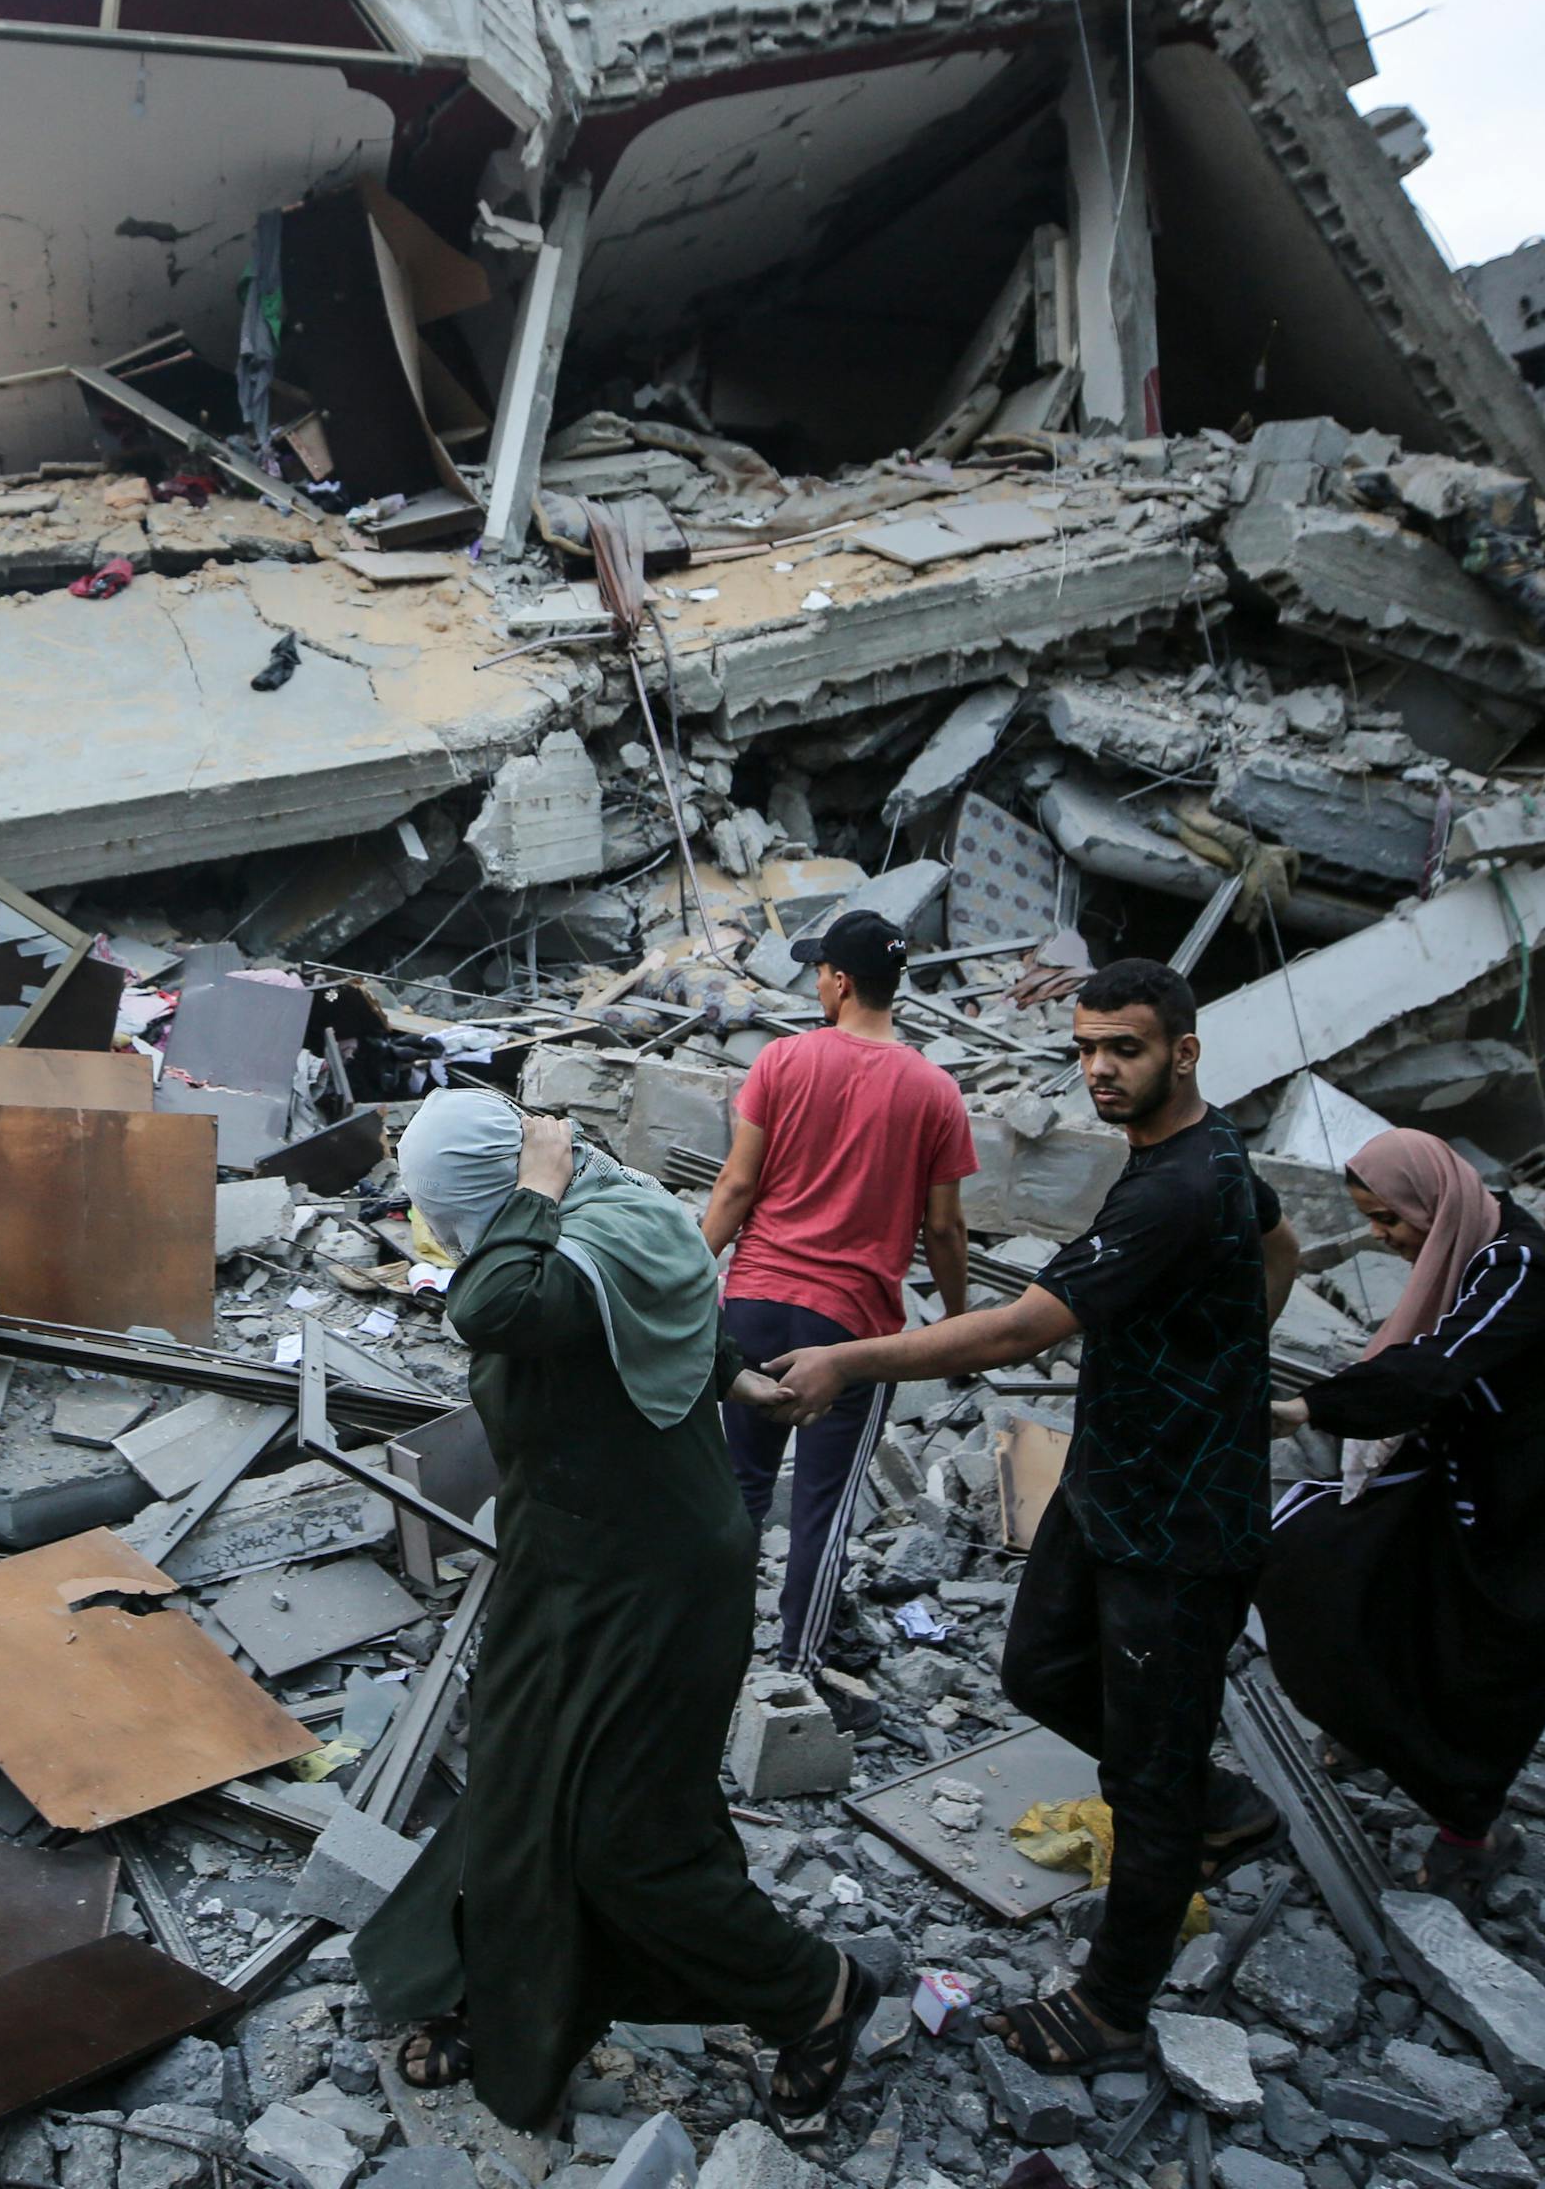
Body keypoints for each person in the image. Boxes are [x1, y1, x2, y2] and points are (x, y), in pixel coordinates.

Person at [758, 958, 1295, 2073]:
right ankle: (1211, 1796)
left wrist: (850, 1359)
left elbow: (1016, 1332)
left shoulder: (1181, 1187)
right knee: (1038, 1671)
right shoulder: (1200, 1158)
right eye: (1087, 1048)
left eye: (1126, 1050)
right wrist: (1217, 1355)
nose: (1098, 1069)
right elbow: (1280, 1250)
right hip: (1112, 1483)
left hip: (1179, 1524)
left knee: (1144, 1780)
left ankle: (1111, 2005)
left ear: (1183, 1053)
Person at [358, 1090, 884, 2138]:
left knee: (625, 1836)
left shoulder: (574, 1240)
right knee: (512, 1785)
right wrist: (735, 1375)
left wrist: (533, 1195)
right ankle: (496, 1988)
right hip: (563, 1562)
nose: (433, 1236)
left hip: (655, 1584)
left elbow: (493, 1306)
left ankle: (816, 1994)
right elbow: (662, 1325)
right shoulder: (587, 1236)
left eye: (441, 1212)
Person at [1261, 1129, 1545, 1904]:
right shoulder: (1470, 1254)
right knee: (1330, 1566)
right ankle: (1374, 1728)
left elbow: (1434, 1366)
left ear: (1435, 1206)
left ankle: (1471, 1830)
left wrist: (1309, 1409)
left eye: (1390, 1221)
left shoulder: (1515, 1267)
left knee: (1489, 1661)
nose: (1381, 1237)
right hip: (1470, 1474)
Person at [703, 909, 978, 1671]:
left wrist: (689, 1278)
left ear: (843, 981)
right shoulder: (936, 1092)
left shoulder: (782, 1062)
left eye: (821, 971)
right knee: (822, 1511)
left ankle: (703, 1645)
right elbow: (946, 1232)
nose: (817, 983)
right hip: (852, 1333)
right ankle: (794, 1668)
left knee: (739, 1491)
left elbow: (736, 1188)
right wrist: (956, 1329)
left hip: (753, 1307)